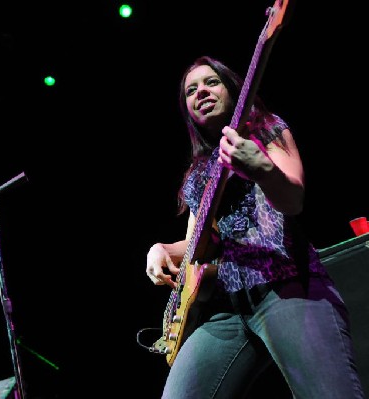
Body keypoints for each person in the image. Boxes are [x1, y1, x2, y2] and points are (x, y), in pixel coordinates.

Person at [144, 56, 366, 398]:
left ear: (233, 89)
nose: (201, 91)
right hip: (225, 309)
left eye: (211, 82)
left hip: (286, 286)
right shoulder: (198, 171)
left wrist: (262, 168)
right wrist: (160, 249)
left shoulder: (265, 131)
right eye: (191, 90)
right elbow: (195, 243)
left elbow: (293, 200)